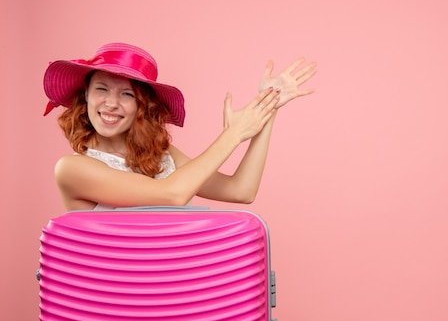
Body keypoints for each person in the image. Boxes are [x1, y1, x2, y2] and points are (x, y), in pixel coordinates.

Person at [43, 42, 317, 211]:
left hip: (180, 292)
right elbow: (171, 194)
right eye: (101, 89)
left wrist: (268, 108)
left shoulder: (163, 155)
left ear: (142, 106)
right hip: (121, 300)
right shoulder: (72, 169)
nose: (111, 103)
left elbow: (240, 191)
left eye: (127, 94)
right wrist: (233, 134)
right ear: (86, 96)